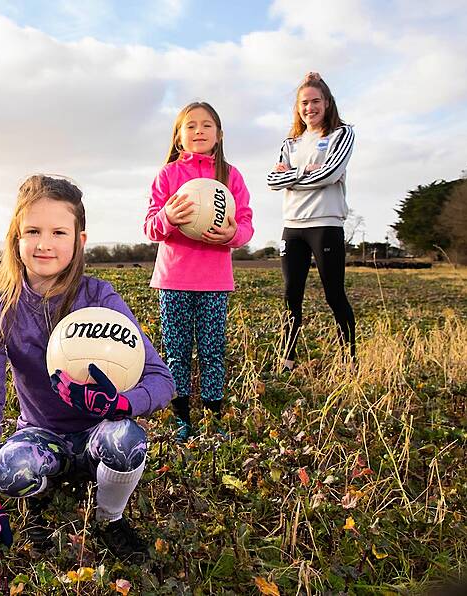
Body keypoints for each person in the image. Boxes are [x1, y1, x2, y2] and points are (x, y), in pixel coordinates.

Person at [0, 175, 174, 563]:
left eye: (59, 231)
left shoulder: (100, 297)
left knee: (126, 440)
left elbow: (162, 380)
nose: (44, 243)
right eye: (32, 231)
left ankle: (109, 518)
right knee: (9, 471)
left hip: (99, 433)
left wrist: (121, 404)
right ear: (16, 237)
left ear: (79, 240)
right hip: (42, 434)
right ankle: (41, 500)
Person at [144, 101, 254, 442]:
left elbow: (247, 223)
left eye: (206, 125)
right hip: (174, 279)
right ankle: (181, 417)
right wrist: (169, 218)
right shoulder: (168, 175)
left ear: (219, 135)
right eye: (190, 126)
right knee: (176, 350)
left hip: (214, 280)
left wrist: (232, 235)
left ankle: (212, 416)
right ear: (179, 137)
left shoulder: (230, 175)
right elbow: (150, 227)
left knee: (211, 349)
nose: (199, 131)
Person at [266, 72, 356, 372]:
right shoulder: (290, 142)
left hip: (325, 224)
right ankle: (287, 359)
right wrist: (304, 173)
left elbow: (329, 174)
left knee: (334, 294)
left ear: (327, 103)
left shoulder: (341, 135)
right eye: (304, 103)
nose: (310, 108)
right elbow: (271, 180)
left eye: (316, 101)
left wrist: (291, 176)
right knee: (291, 294)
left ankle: (350, 358)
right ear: (298, 107)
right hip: (293, 227)